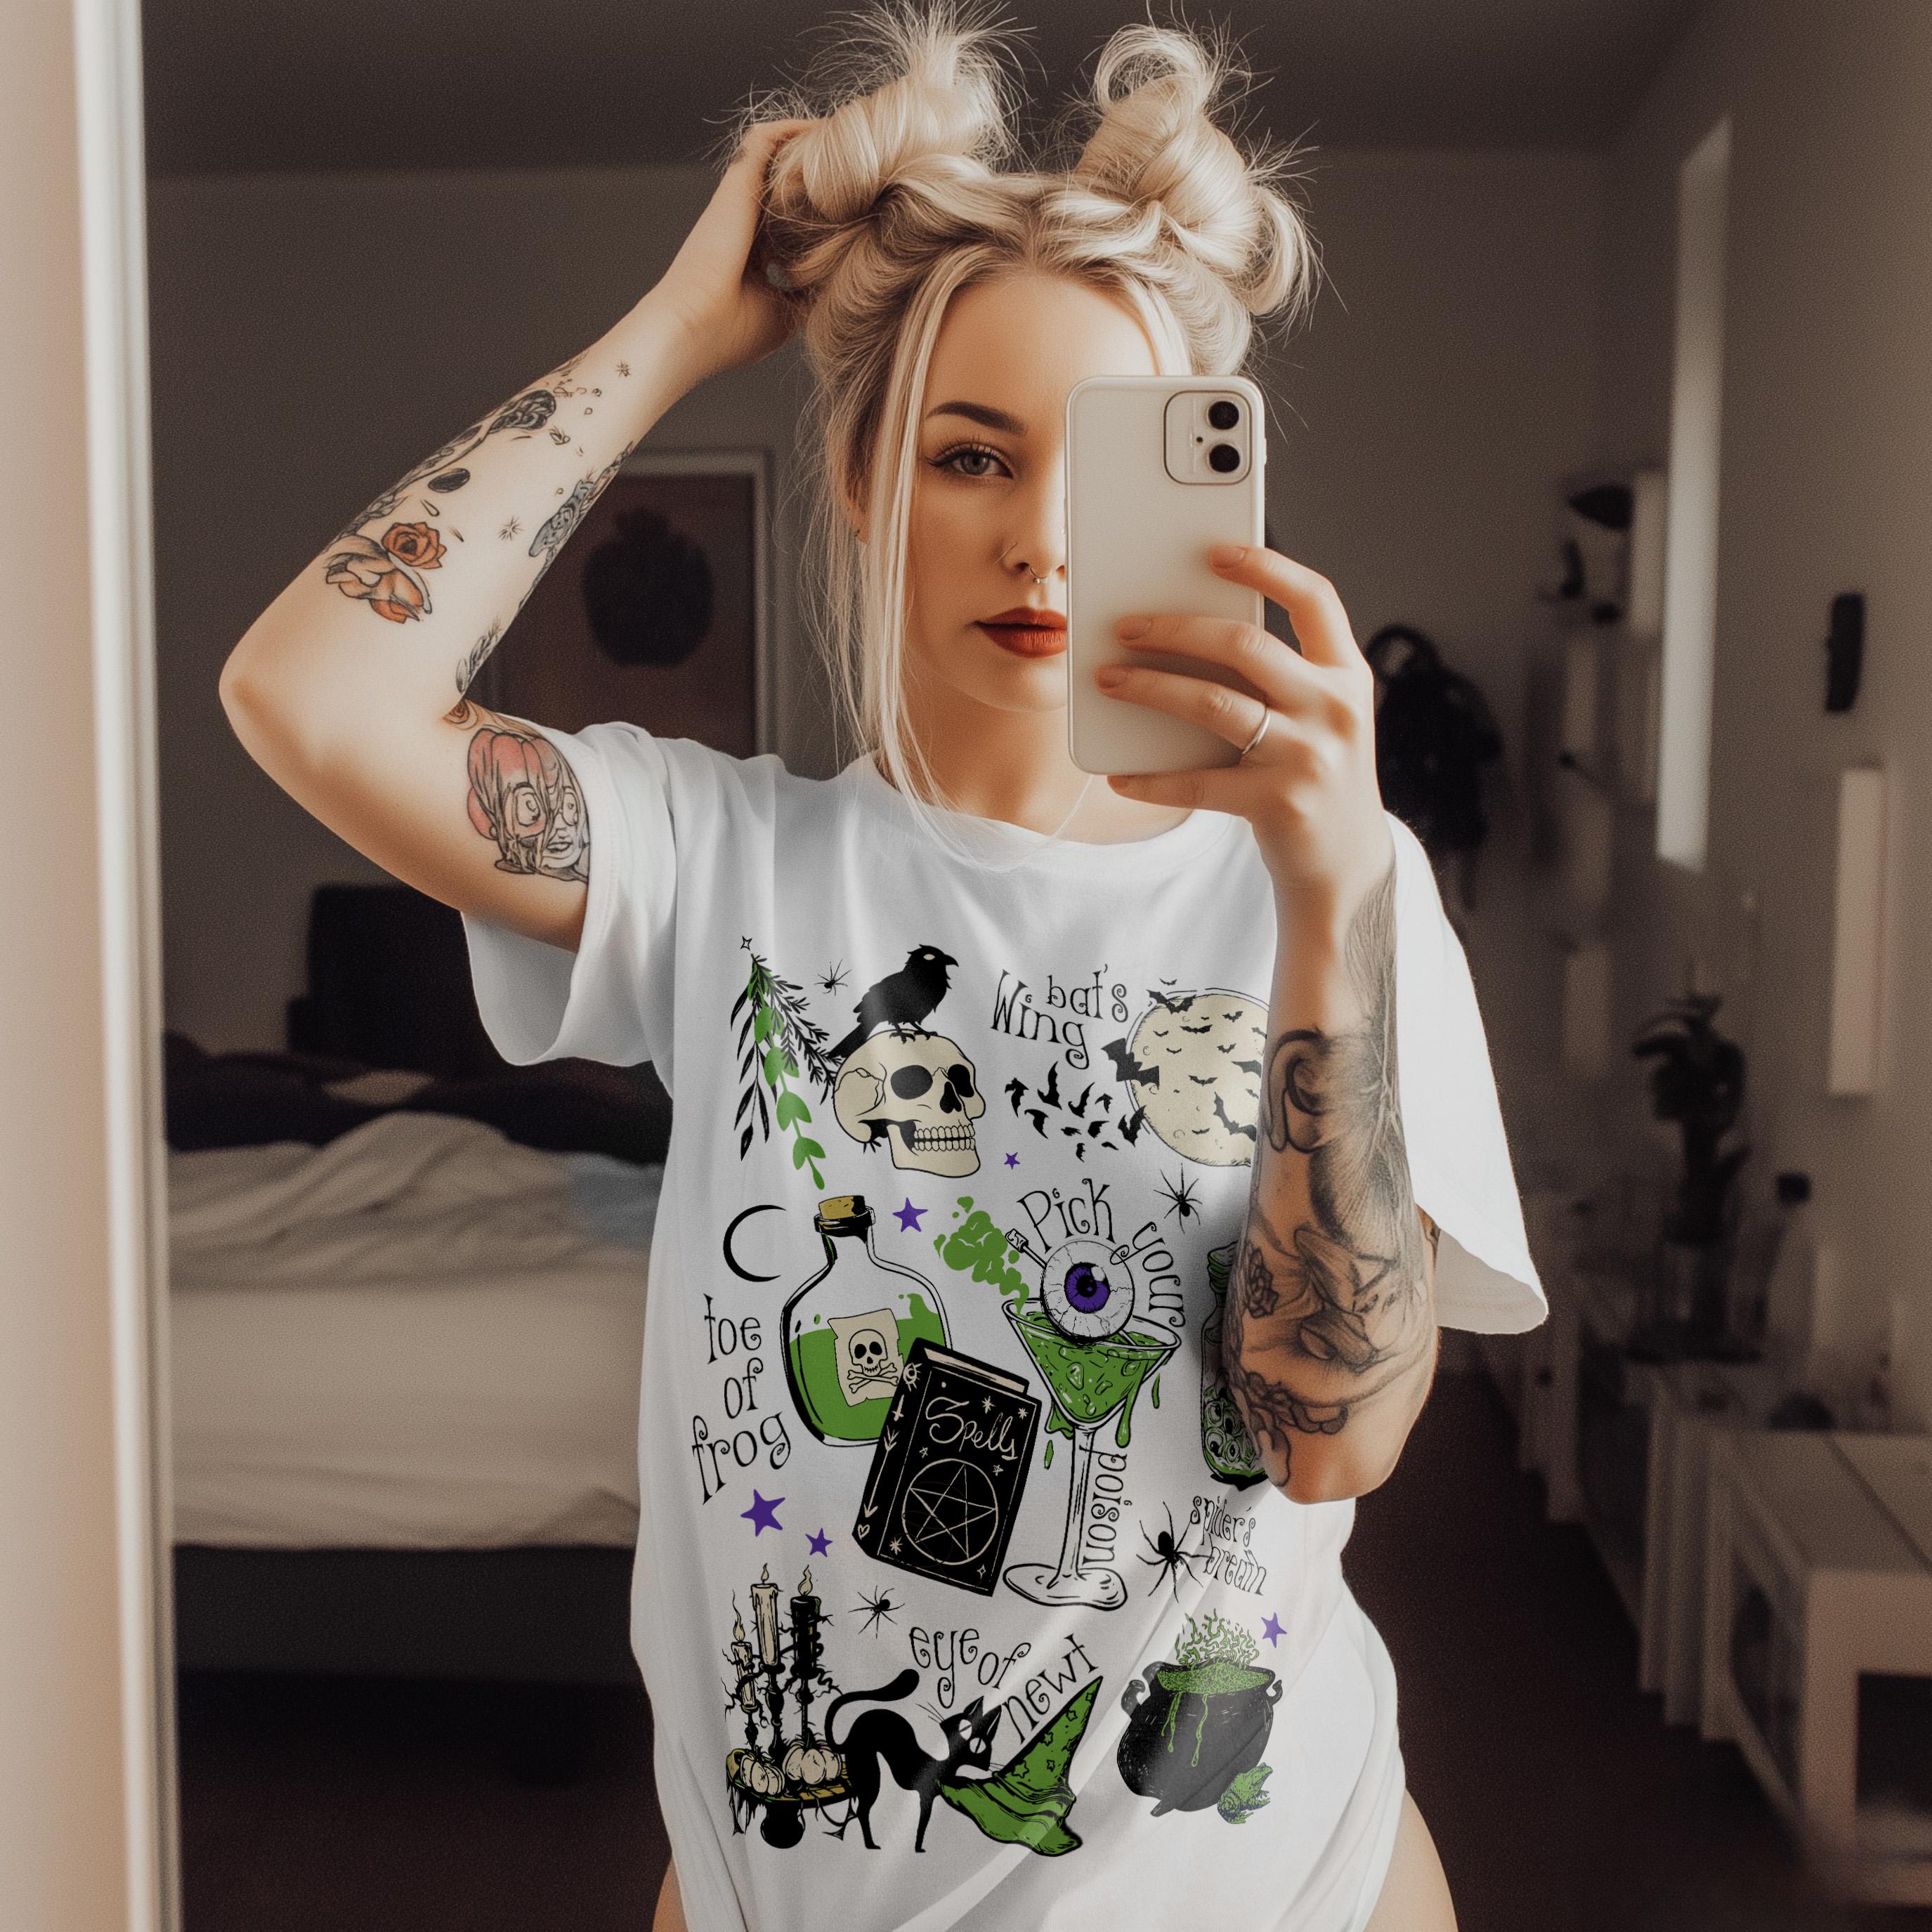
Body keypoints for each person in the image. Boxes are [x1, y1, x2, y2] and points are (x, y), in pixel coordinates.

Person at [220, 13, 1545, 1929]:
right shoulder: (716, 861)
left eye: (1110, 475)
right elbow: (308, 694)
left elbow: (1331, 1437)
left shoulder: (1339, 882)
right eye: (970, 456)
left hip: (1270, 1888)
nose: (1041, 542)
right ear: (859, 479)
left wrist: (1332, 891)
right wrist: (684, 327)